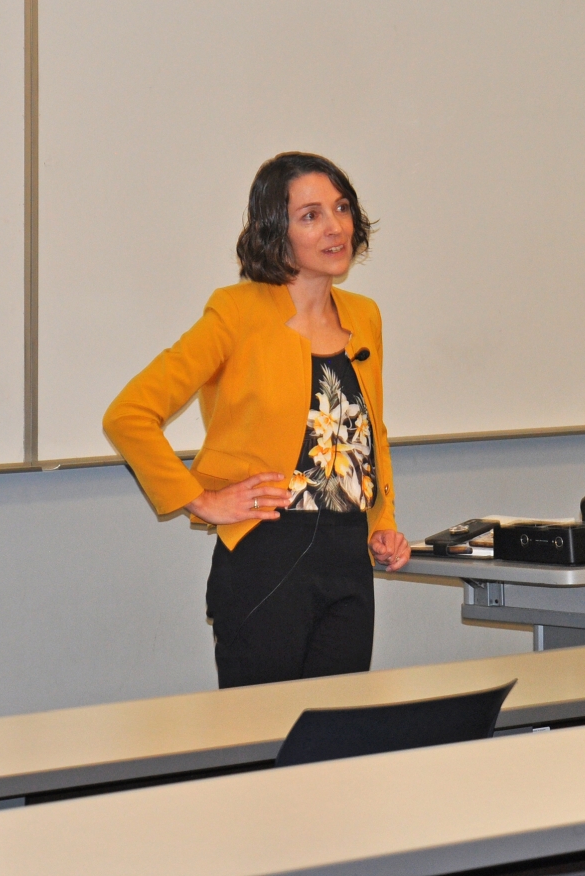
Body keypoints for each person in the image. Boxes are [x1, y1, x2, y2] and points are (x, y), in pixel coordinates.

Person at [104, 152, 410, 688]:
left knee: (333, 740)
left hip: (347, 558)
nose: (336, 226)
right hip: (268, 557)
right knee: (259, 745)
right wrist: (199, 498)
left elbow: (369, 432)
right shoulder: (236, 312)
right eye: (310, 215)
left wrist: (381, 525)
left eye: (341, 208)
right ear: (276, 230)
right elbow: (129, 414)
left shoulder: (364, 315)